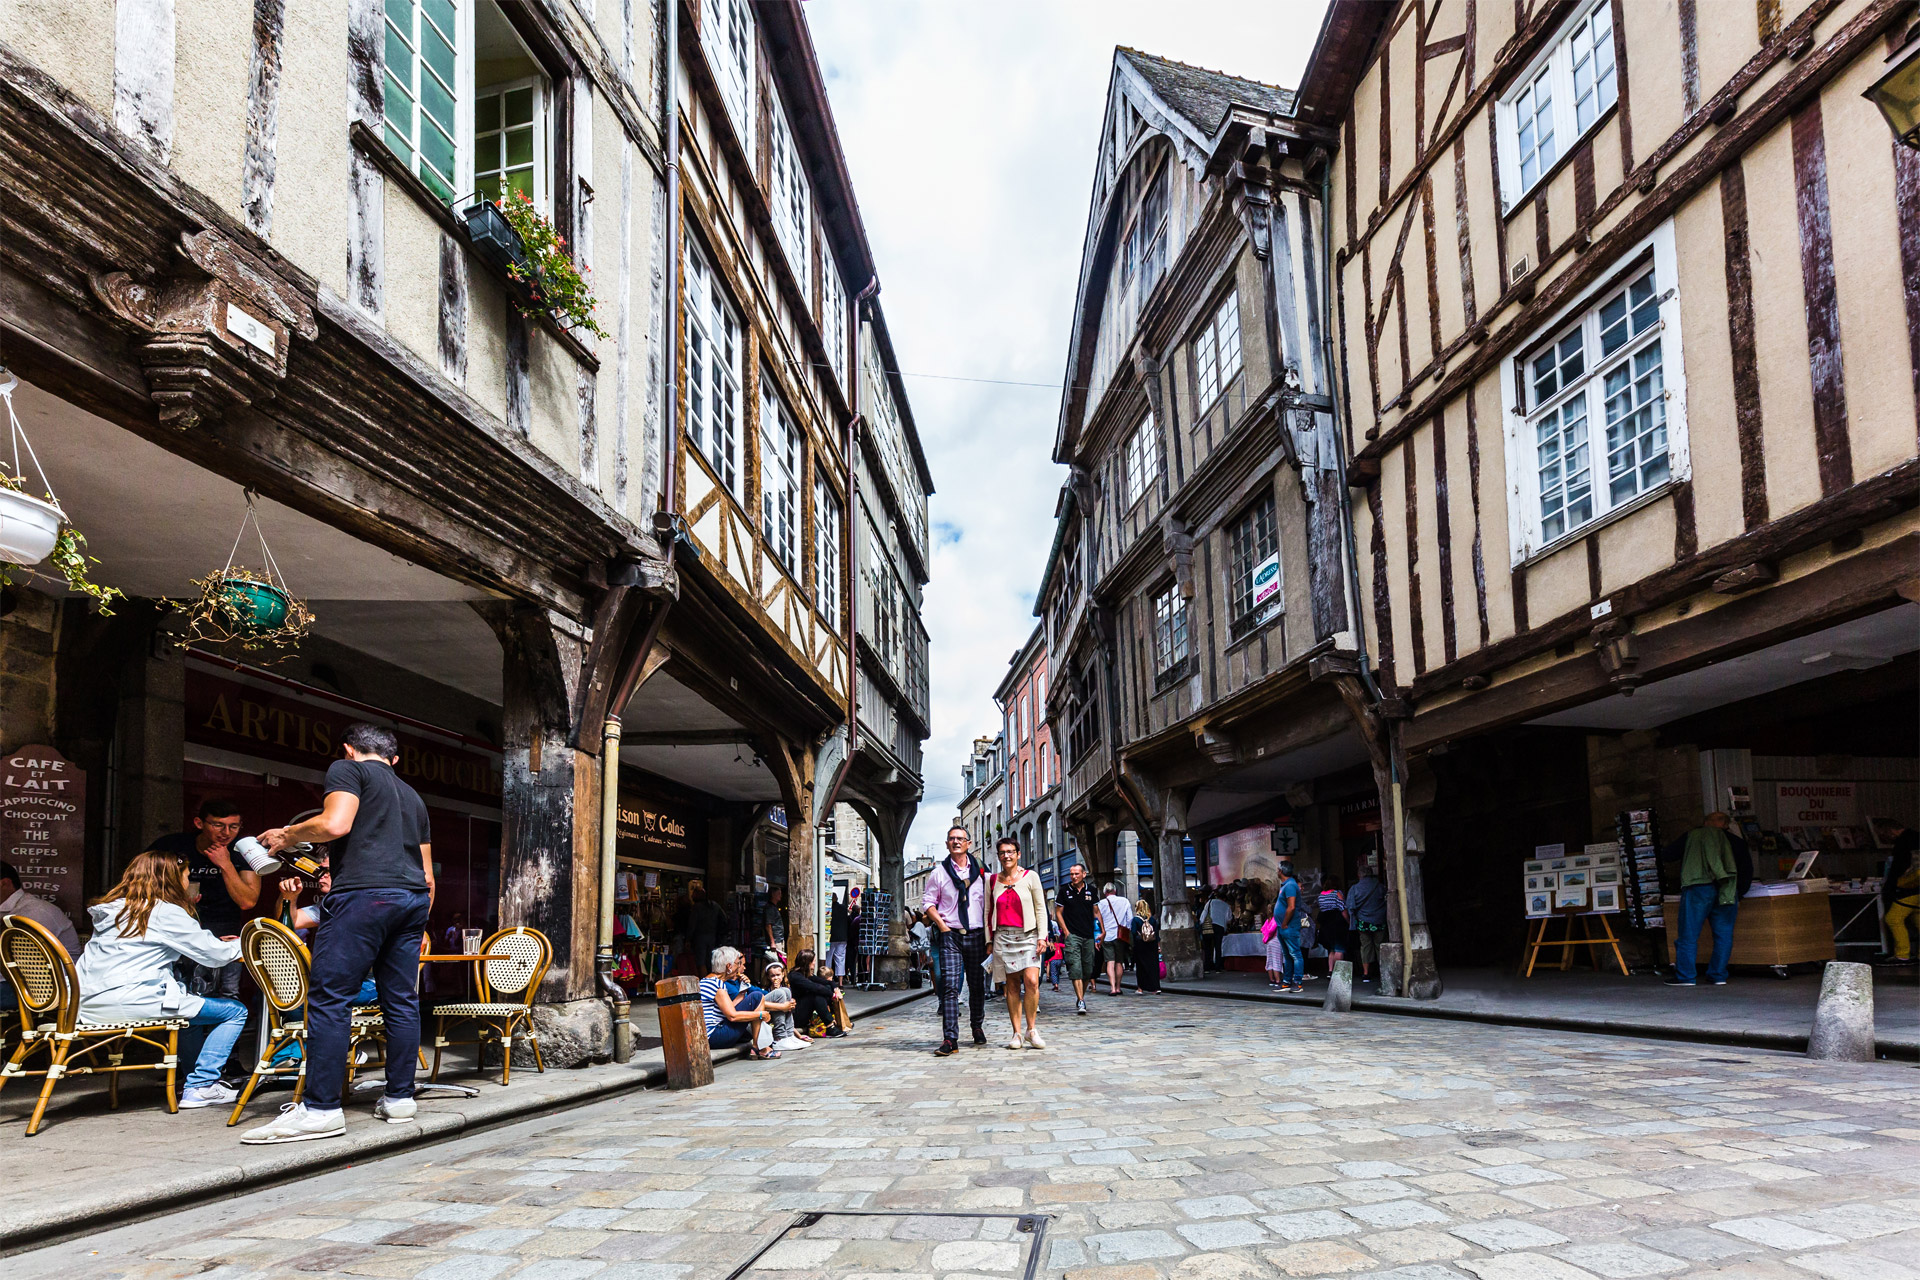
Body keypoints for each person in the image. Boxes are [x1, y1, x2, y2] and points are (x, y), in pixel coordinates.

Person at [243, 723, 434, 1144]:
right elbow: (427, 874)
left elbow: (334, 824)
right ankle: (400, 1098)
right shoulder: (413, 797)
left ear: (348, 749)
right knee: (401, 998)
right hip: (412, 898)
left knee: (330, 997)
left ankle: (321, 1109)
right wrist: (416, 913)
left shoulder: (348, 771)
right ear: (394, 759)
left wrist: (286, 835)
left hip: (364, 894)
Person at [74, 851, 248, 1109]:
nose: (188, 883)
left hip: (86, 1006)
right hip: (132, 1000)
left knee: (188, 1009)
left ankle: (191, 1080)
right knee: (234, 1012)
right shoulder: (164, 912)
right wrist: (247, 945)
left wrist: (206, 943)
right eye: (187, 877)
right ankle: (201, 1085)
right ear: (173, 879)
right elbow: (215, 956)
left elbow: (143, 949)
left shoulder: (115, 910)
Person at [145, 798, 259, 1004]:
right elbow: (142, 882)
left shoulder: (244, 852)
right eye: (218, 825)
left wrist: (225, 864)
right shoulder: (173, 846)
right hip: (177, 924)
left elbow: (248, 901)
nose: (226, 832)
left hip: (225, 925)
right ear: (199, 823)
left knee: (228, 993)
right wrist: (179, 901)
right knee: (181, 990)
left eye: (234, 826)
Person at [922, 825, 990, 1056]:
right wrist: (942, 926)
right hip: (950, 934)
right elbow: (928, 904)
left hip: (977, 935)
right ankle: (950, 1038)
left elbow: (993, 898)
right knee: (950, 986)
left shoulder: (981, 871)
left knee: (977, 984)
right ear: (947, 844)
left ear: (969, 843)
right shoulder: (938, 873)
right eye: (952, 839)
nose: (956, 842)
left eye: (960, 839)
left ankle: (977, 1026)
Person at [1665, 812, 1741, 987]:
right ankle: (1718, 975)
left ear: (1706, 822)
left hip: (1698, 886)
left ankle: (1686, 976)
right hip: (1726, 888)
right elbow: (1745, 865)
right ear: (1726, 825)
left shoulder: (1693, 835)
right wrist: (1739, 891)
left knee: (1688, 934)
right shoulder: (1733, 840)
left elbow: (1668, 854)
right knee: (1723, 934)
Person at [986, 836, 1048, 1050]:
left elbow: (1041, 908)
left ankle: (1032, 1030)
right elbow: (988, 911)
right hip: (1003, 937)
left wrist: (1043, 936)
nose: (1007, 855)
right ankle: (1017, 1033)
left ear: (1018, 854)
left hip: (1028, 935)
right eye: (1003, 852)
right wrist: (989, 940)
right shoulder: (992, 881)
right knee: (1011, 986)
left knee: (1031, 981)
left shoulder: (1031, 877)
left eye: (1011, 851)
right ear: (999, 856)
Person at [0, 859, 81, 1012]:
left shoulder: (34, 912)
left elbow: (14, 959)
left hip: (50, 989)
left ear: (4, 883)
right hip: (20, 982)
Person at [700, 946, 776, 1058]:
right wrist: (761, 1014)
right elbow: (732, 1016)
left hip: (712, 1035)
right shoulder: (716, 984)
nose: (739, 967)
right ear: (729, 967)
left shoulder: (708, 981)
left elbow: (730, 1008)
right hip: (715, 1036)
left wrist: (743, 991)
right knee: (757, 997)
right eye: (737, 963)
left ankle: (759, 1045)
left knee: (746, 1035)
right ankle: (758, 1047)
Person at [1053, 862, 1099, 1014]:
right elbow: (1058, 912)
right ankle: (1081, 1000)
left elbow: (1096, 912)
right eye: (1071, 874)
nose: (1073, 876)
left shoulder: (1091, 891)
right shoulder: (1064, 890)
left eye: (1076, 874)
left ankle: (1081, 997)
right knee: (1075, 968)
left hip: (1089, 935)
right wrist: (1065, 931)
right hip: (1072, 935)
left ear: (1084, 874)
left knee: (1087, 970)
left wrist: (1102, 931)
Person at [789, 949, 848, 1037]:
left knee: (827, 988)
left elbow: (826, 982)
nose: (814, 963)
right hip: (797, 1015)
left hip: (806, 1011)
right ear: (808, 962)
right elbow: (815, 987)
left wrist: (836, 989)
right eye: (813, 961)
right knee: (815, 995)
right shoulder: (795, 976)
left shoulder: (806, 974)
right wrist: (833, 995)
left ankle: (835, 1020)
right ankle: (830, 1026)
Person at [1347, 866, 1387, 984]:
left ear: (1359, 875)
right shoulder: (1380, 887)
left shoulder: (1355, 888)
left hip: (1363, 922)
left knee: (1365, 946)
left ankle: (1366, 973)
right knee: (1380, 945)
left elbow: (1350, 906)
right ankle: (1383, 972)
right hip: (1379, 921)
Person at [760, 960, 809, 1051]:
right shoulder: (764, 990)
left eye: (778, 975)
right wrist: (776, 990)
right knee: (780, 992)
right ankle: (780, 1038)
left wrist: (798, 1035)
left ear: (783, 974)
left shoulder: (786, 988)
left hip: (784, 1020)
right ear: (768, 977)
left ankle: (789, 1035)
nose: (776, 978)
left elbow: (787, 1013)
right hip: (769, 1019)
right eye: (773, 976)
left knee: (786, 991)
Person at [685, 882, 728, 978]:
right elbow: (724, 919)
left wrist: (688, 939)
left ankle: (704, 981)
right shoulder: (715, 905)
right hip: (712, 937)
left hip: (700, 938)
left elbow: (692, 924)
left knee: (701, 961)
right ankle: (712, 979)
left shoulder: (697, 908)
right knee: (711, 961)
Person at [1273, 859, 1304, 993]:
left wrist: (1285, 922)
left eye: (1278, 869)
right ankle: (1286, 981)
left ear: (1281, 871)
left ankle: (1297, 982)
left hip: (1288, 926)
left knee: (1295, 954)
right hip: (1283, 926)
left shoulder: (1290, 885)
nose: (1276, 871)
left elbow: (1291, 907)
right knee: (1287, 955)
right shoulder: (1286, 885)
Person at [1097, 883, 1133, 997]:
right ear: (1115, 891)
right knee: (1119, 962)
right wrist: (1126, 929)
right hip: (1120, 936)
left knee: (1110, 962)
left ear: (1105, 892)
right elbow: (1130, 919)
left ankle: (1112, 988)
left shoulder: (1101, 904)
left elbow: (1098, 920)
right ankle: (1118, 987)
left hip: (1107, 936)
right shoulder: (1124, 901)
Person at [1317, 876, 1349, 973]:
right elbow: (1342, 908)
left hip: (1325, 923)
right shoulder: (1337, 893)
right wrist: (1348, 921)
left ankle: (1330, 970)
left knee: (1331, 949)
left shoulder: (1321, 895)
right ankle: (1337, 971)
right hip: (1337, 922)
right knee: (1339, 948)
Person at [1132, 896, 1162, 993]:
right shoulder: (1152, 920)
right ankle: (1156, 987)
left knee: (1141, 967)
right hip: (1152, 945)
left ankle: (1141, 988)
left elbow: (1133, 932)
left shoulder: (1136, 920)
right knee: (1153, 966)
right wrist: (1158, 946)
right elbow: (1157, 934)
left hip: (1140, 945)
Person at [1198, 892, 1231, 973]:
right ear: (1224, 899)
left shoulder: (1210, 902)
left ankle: (1207, 968)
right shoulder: (1226, 905)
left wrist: (1201, 924)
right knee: (1218, 947)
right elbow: (1228, 919)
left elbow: (1204, 914)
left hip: (1208, 926)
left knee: (1207, 948)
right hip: (1219, 927)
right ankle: (1218, 968)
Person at [828, 887, 852, 980]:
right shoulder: (843, 909)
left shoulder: (828, 909)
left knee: (828, 959)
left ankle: (829, 979)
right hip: (842, 938)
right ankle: (841, 982)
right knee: (840, 959)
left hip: (831, 937)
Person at [762, 884, 788, 968]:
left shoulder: (774, 907)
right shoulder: (769, 908)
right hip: (776, 940)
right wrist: (772, 941)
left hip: (779, 938)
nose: (780, 895)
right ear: (773, 894)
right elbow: (768, 925)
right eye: (778, 893)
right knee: (775, 961)